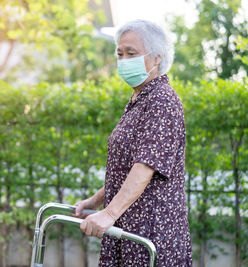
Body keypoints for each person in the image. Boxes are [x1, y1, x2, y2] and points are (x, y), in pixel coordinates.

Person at [72, 20, 192, 266]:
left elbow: (145, 167)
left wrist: (109, 213)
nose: (124, 59)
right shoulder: (139, 99)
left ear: (156, 58)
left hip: (151, 230)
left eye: (132, 53)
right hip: (128, 227)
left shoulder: (162, 101)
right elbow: (127, 169)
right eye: (120, 53)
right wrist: (95, 202)